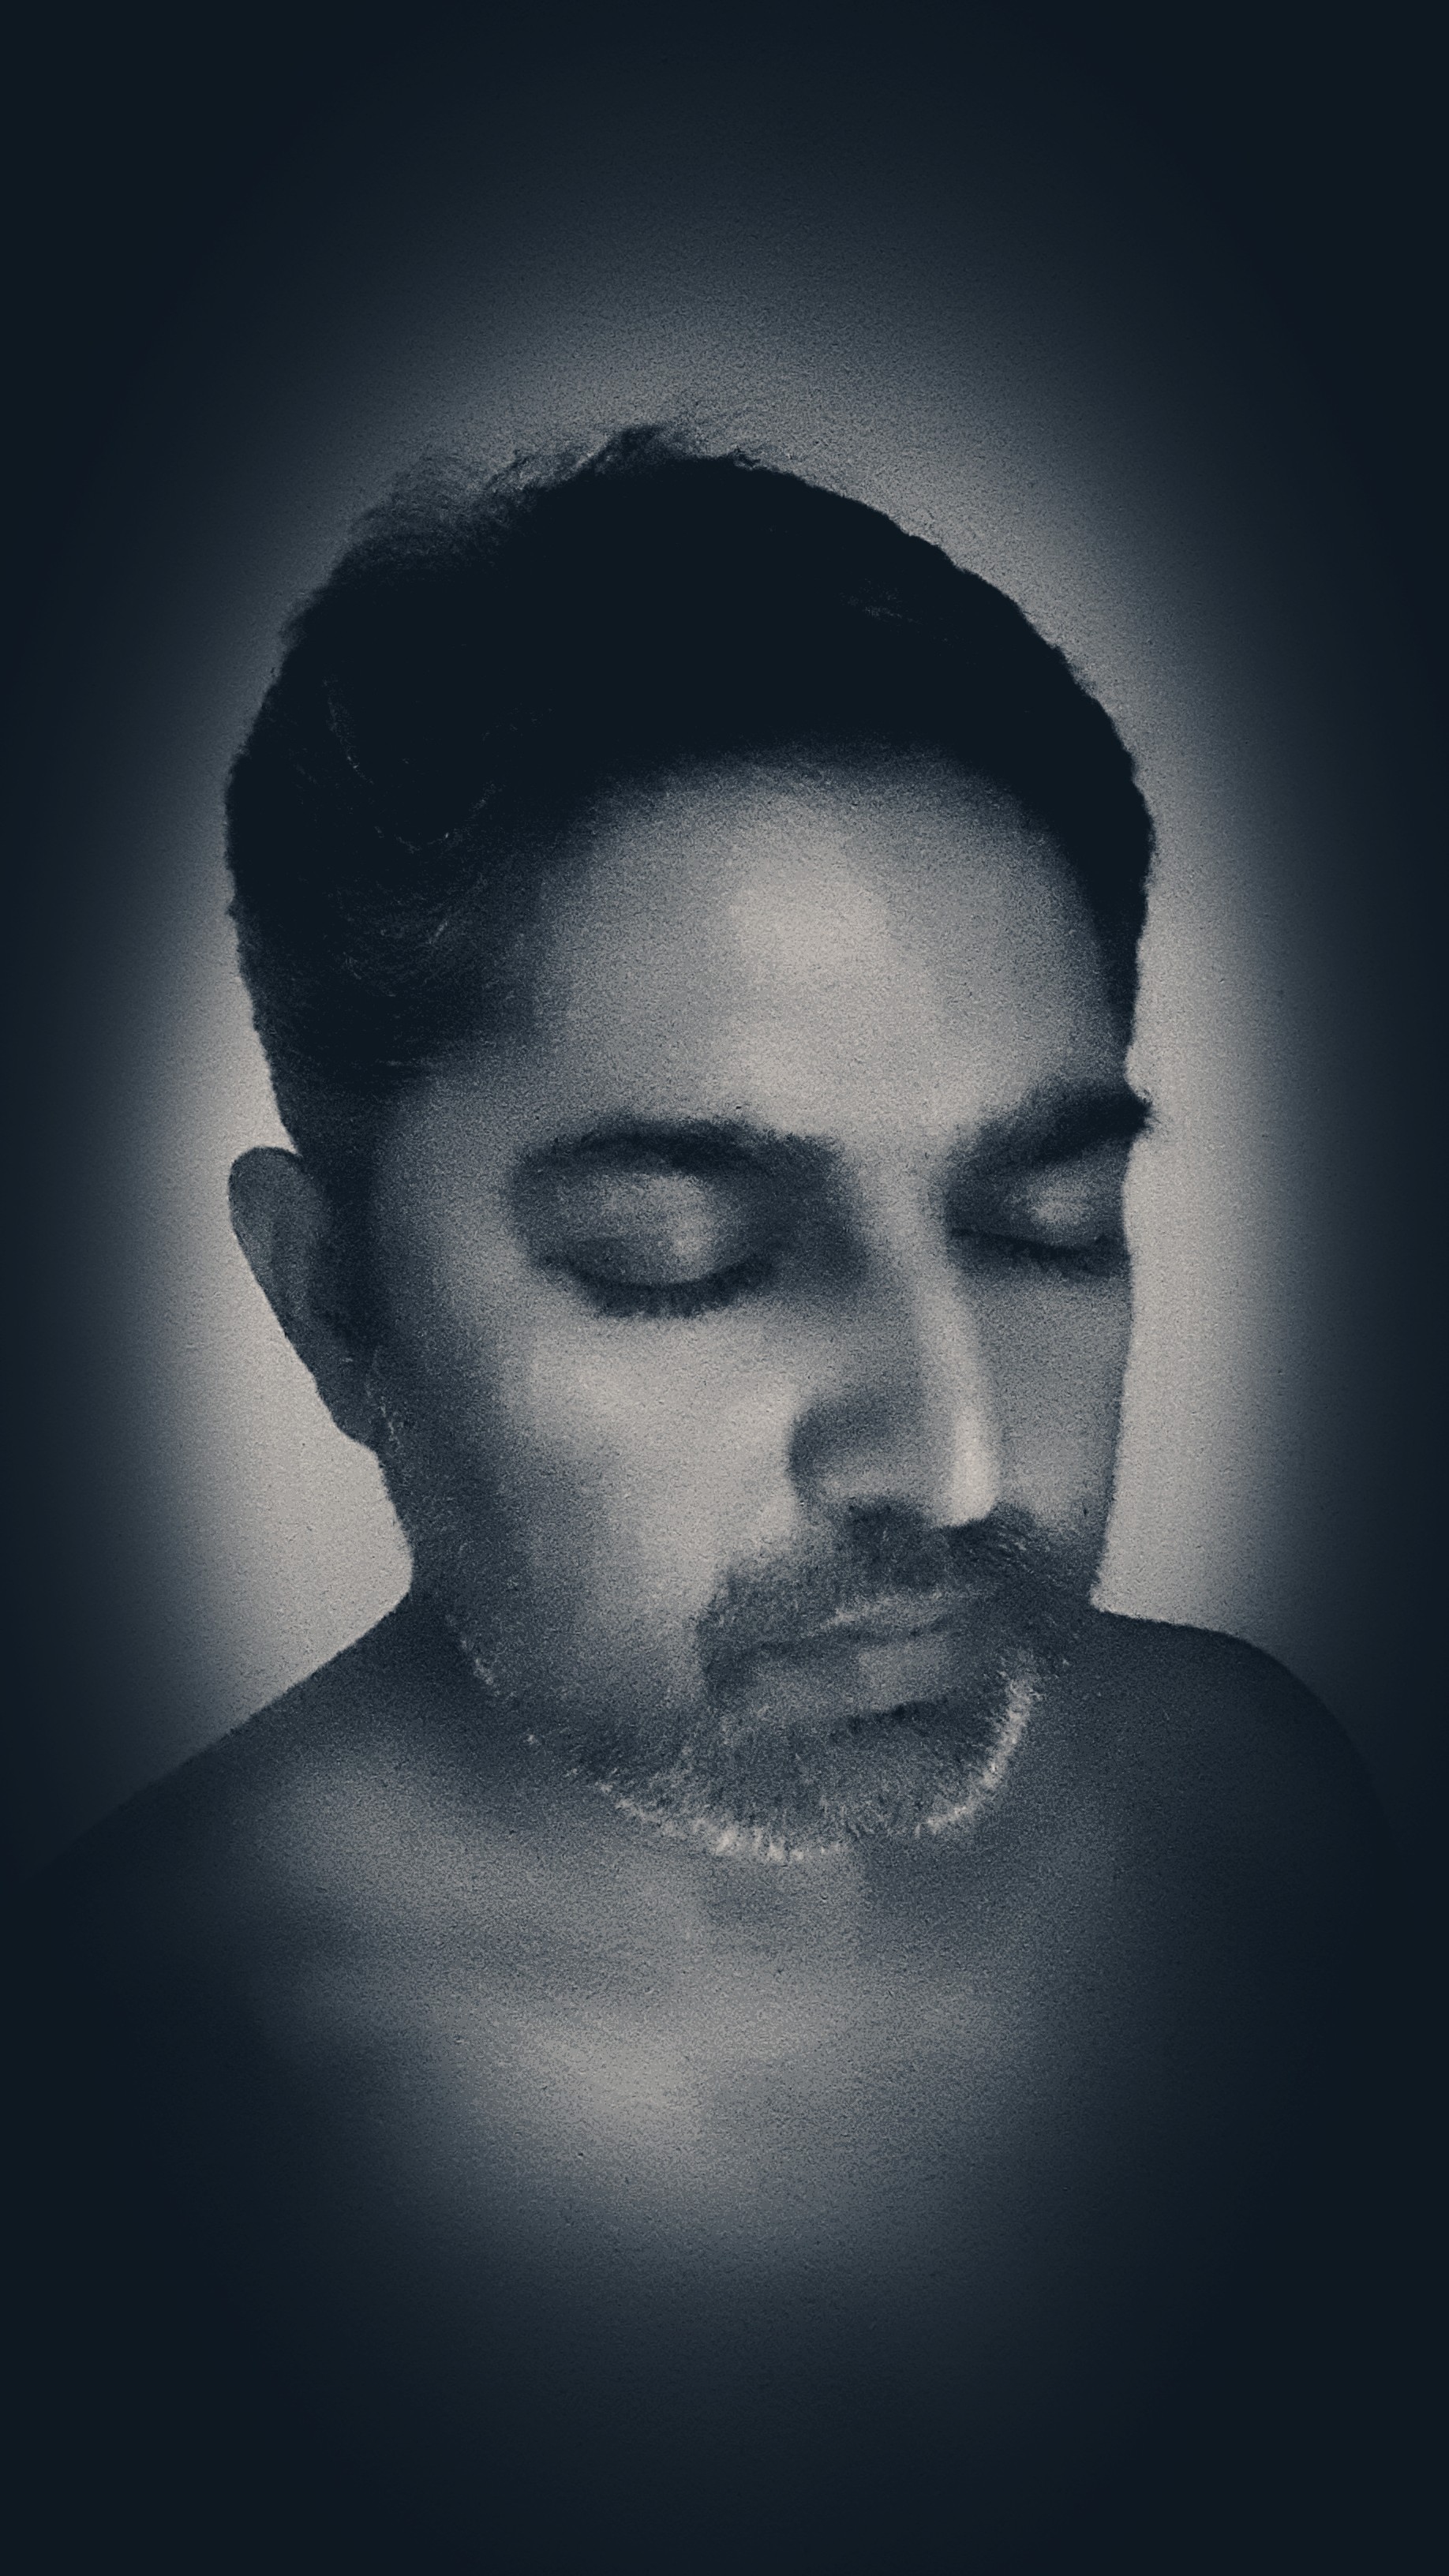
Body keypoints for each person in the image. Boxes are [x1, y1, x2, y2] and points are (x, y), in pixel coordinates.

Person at [15, 431, 1422, 2570]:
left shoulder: (1268, 1808)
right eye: (682, 1259)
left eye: (1044, 1223)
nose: (952, 1464)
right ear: (332, 1305)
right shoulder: (93, 2146)